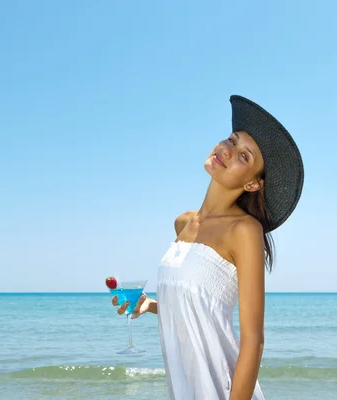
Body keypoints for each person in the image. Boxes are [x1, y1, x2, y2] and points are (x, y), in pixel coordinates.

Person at [111, 95, 304, 400]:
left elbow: (253, 341)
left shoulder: (244, 230)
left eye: (244, 156)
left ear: (253, 184)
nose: (228, 151)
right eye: (232, 140)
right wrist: (149, 305)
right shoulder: (183, 223)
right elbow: (196, 314)